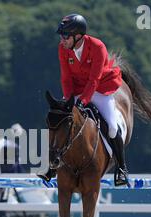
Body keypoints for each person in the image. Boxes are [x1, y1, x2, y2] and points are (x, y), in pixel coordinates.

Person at [38, 14, 129, 186]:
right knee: (60, 120)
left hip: (100, 88)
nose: (62, 40)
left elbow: (94, 80)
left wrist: (82, 102)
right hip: (77, 90)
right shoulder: (63, 48)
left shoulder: (97, 47)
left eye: (65, 36)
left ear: (77, 36)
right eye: (61, 36)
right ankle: (51, 165)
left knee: (111, 125)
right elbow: (66, 78)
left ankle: (122, 168)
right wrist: (69, 101)